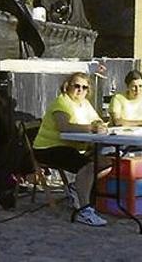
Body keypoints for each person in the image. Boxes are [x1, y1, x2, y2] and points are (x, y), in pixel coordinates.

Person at [33, 72, 110, 227]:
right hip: (49, 148)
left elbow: (97, 120)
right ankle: (84, 210)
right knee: (88, 166)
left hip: (72, 147)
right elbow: (65, 127)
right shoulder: (61, 103)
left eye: (84, 87)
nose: (80, 90)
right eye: (77, 86)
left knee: (106, 163)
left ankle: (77, 187)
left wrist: (99, 124)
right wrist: (91, 128)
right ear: (68, 86)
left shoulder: (85, 104)